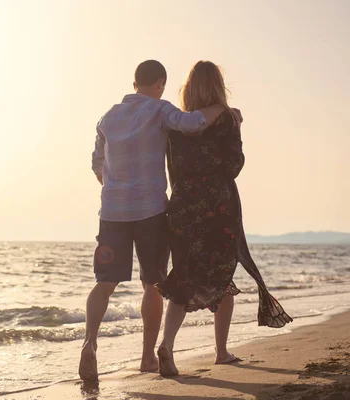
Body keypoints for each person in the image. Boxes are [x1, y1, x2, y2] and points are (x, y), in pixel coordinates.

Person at [79, 60, 226, 382]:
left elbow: (96, 164)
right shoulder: (159, 109)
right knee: (153, 284)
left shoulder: (108, 117)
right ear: (159, 82)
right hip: (150, 212)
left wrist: (117, 189)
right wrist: (219, 107)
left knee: (105, 282)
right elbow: (193, 124)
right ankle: (147, 357)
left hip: (112, 212)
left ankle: (89, 342)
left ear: (135, 83)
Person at [156, 61, 293, 377]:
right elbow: (233, 165)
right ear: (219, 87)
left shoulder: (176, 124)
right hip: (218, 205)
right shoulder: (228, 119)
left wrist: (182, 198)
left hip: (183, 204)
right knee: (222, 271)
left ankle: (168, 345)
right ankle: (220, 351)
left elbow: (172, 169)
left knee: (184, 276)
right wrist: (238, 128)